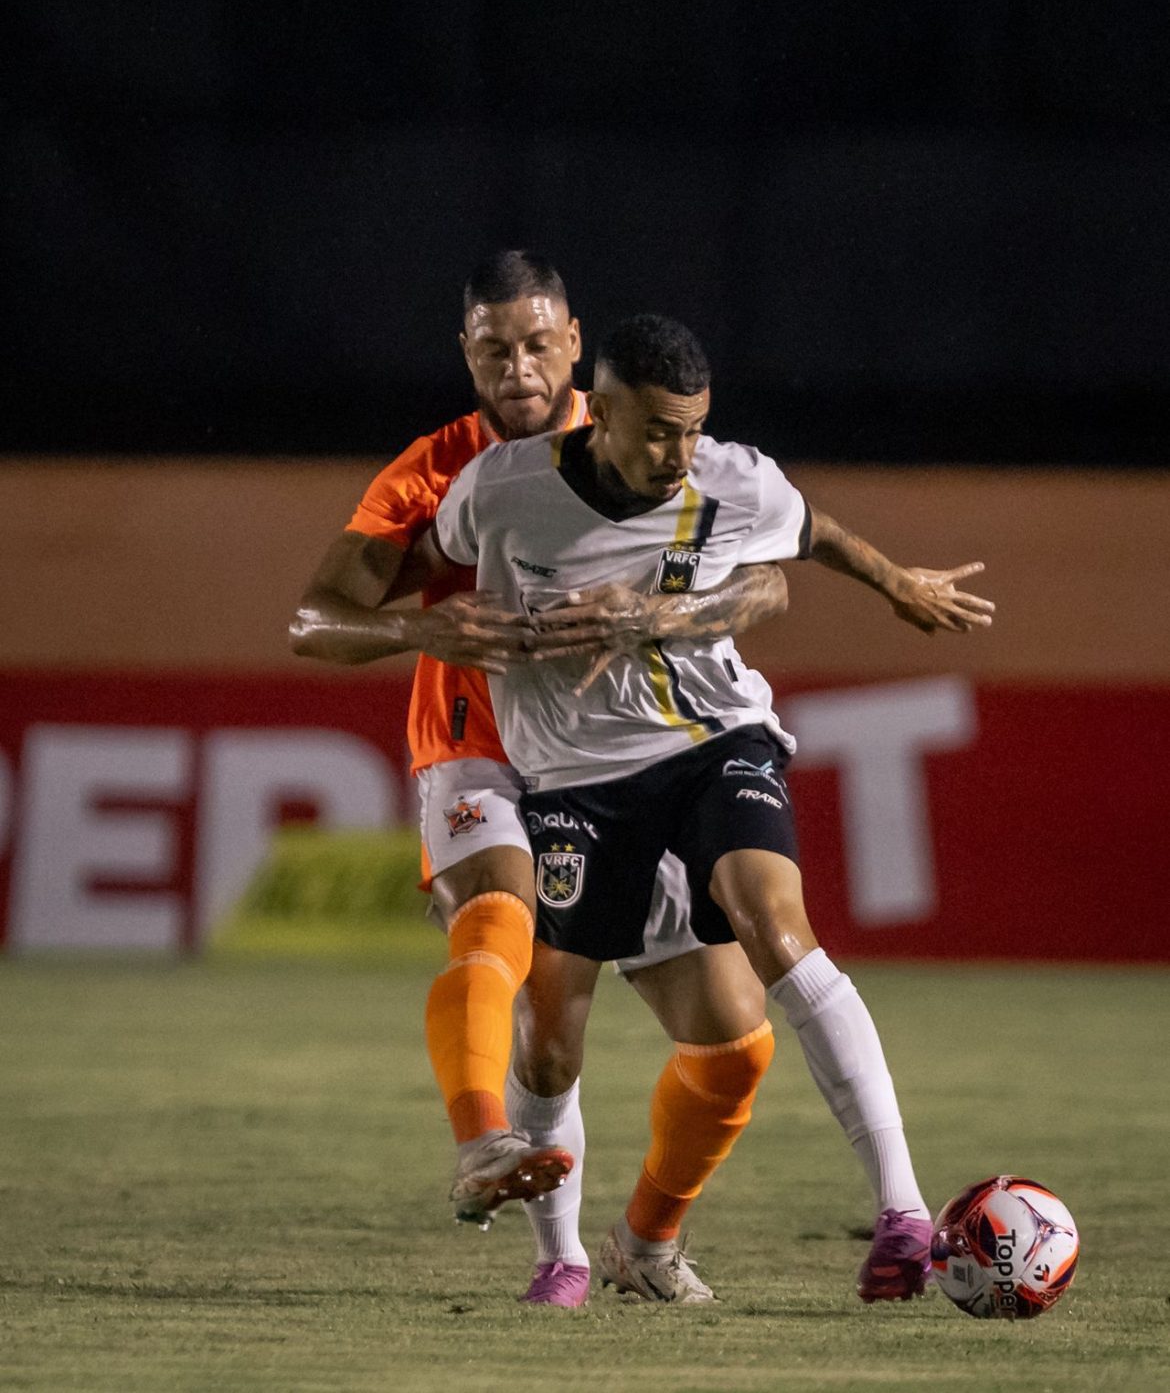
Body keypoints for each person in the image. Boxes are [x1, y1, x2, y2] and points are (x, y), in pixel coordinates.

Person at [423, 312, 995, 1304]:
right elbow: (421, 567)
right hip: (572, 782)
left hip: (711, 741)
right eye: (654, 430)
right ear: (598, 413)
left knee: (780, 924)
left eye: (691, 428)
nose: (676, 453)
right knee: (552, 1031)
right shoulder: (506, 491)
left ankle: (904, 1211)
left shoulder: (731, 475)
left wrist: (899, 584)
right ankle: (560, 1257)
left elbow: (811, 536)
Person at [290, 255, 794, 1308]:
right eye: (492, 348)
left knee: (736, 1041)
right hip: (479, 748)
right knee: (500, 920)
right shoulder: (433, 471)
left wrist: (677, 614)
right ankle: (495, 1159)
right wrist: (417, 624)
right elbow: (313, 618)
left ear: (574, 343)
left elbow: (771, 574)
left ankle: (645, 1240)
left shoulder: (649, 437)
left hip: (633, 759)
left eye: (535, 344)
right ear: (466, 354)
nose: (516, 367)